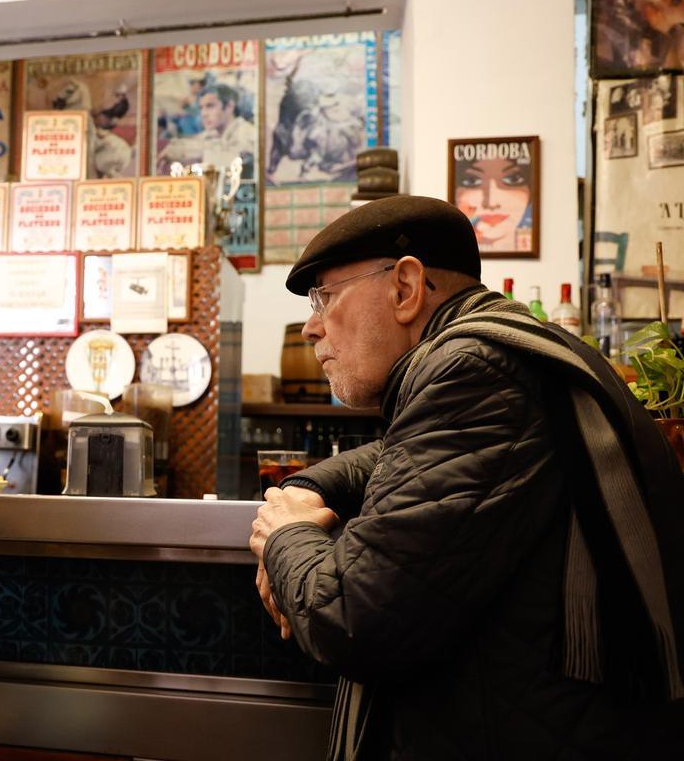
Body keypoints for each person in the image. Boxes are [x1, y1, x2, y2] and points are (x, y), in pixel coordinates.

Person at [249, 195, 684, 759]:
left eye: (324, 296)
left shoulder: (473, 370)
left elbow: (350, 617)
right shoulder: (506, 351)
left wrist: (284, 534)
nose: (311, 327)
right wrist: (310, 488)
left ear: (405, 288)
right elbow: (399, 452)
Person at [157, 82, 255, 174]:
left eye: (210, 106)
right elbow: (185, 144)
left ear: (229, 106)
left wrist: (188, 154)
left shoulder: (246, 132)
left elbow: (233, 161)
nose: (203, 114)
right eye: (201, 108)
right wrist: (174, 149)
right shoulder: (213, 133)